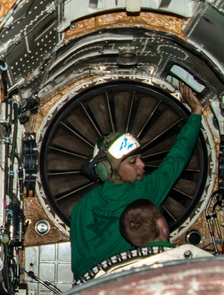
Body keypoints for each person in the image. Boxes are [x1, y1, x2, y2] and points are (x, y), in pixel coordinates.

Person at [69, 82, 204, 280]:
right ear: (107, 170)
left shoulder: (80, 208)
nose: (142, 165)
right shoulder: (142, 192)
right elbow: (177, 157)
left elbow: (78, 268)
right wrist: (196, 112)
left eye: (140, 158)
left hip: (90, 289)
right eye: (132, 161)